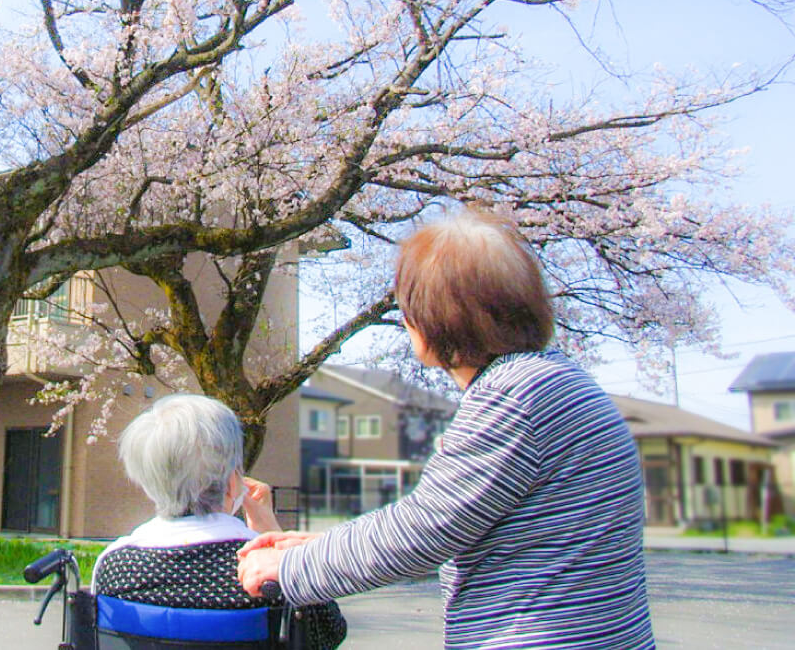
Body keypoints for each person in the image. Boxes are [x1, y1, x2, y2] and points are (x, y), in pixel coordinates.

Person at [237, 209, 654, 648]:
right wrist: (317, 546)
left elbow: (427, 527)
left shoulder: (511, 397)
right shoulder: (556, 381)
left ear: (434, 318)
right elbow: (464, 524)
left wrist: (292, 570)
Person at [95, 393, 346, 649]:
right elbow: (329, 633)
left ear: (147, 483)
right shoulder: (269, 568)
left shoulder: (114, 565)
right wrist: (272, 534)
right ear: (233, 483)